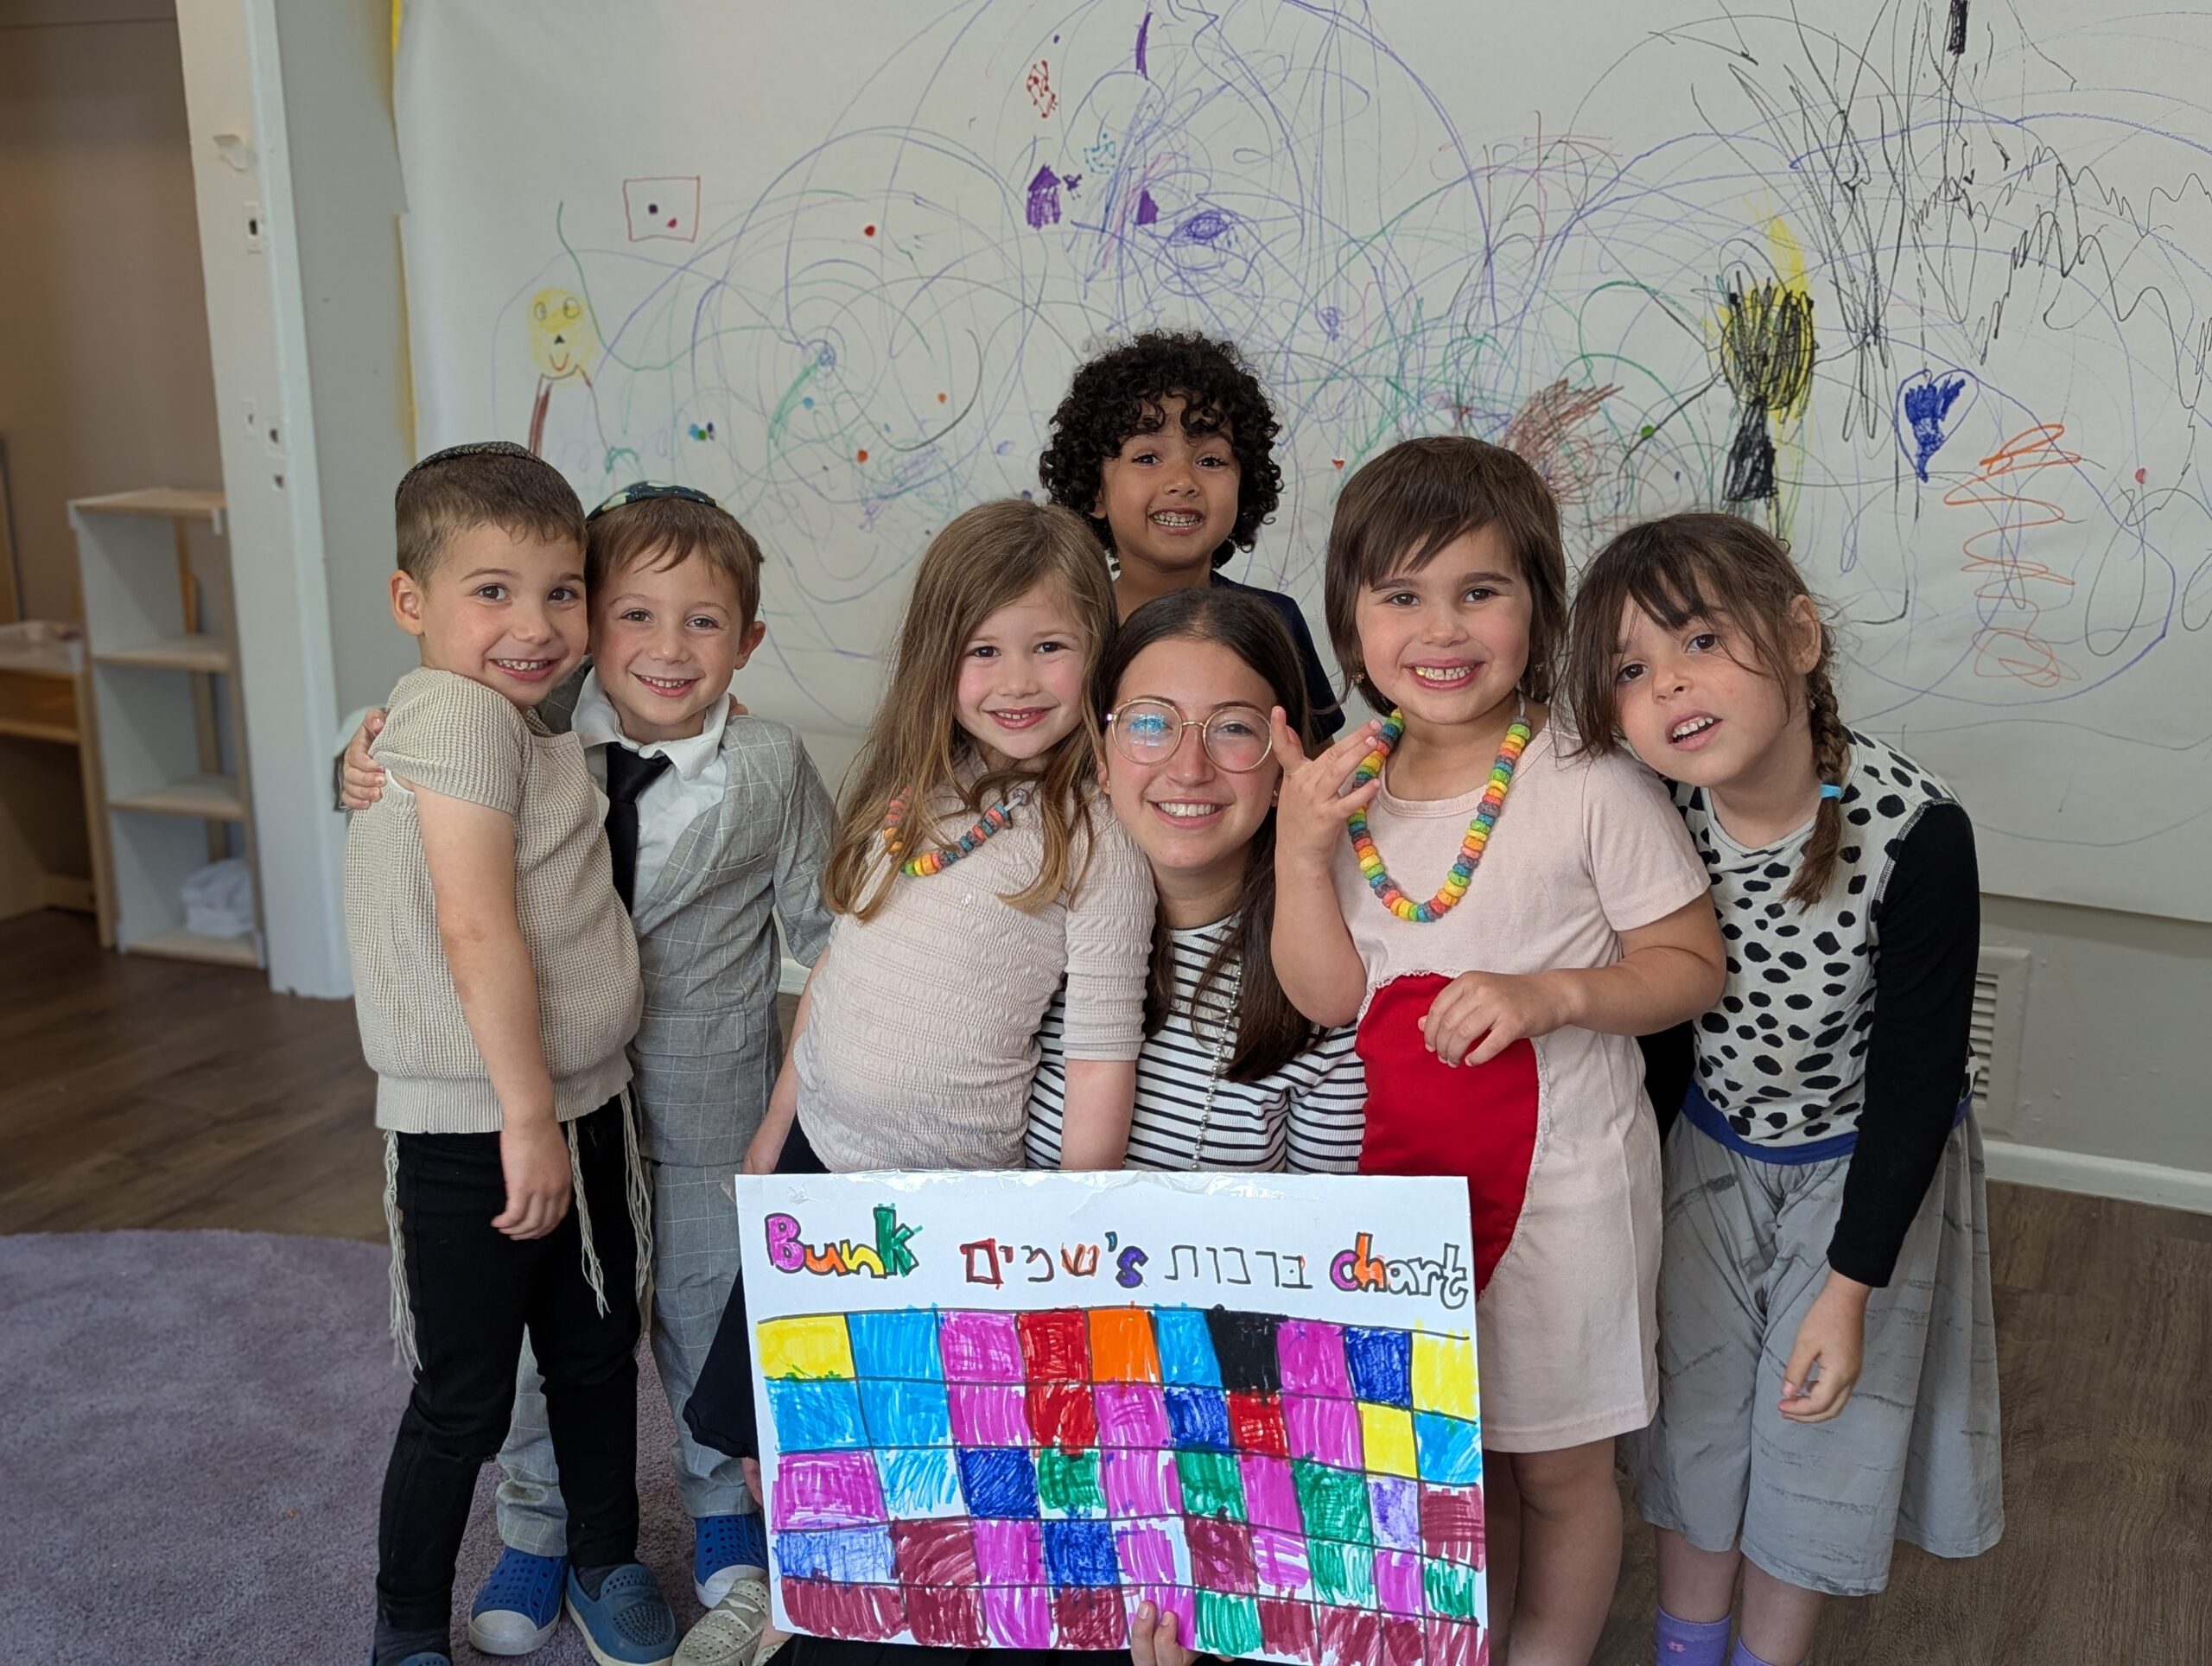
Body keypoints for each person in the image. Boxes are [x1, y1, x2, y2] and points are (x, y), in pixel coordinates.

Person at [340, 481, 837, 1666]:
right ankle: (539, 1522)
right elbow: (424, 807)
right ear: (594, 628)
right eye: (633, 615)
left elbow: (829, 936)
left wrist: (796, 1108)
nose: (668, 649)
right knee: (536, 1341)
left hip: (708, 1101)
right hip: (564, 1098)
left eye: (704, 623)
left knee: (701, 1316)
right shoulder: (528, 733)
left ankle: (722, 1516)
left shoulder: (768, 765)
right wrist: (349, 763)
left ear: (747, 641)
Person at [1269, 436, 1726, 1666]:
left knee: (1562, 1466)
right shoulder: (1344, 788)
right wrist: (1299, 849)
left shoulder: (1587, 781)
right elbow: (1325, 998)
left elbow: (1692, 967)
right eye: (1402, 596)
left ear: (1540, 603)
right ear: (1350, 620)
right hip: (1403, 1206)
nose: (1442, 628)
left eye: (1481, 591)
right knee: (1463, 1463)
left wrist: (1555, 991)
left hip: (1565, 1196)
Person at [1564, 512, 2003, 1666]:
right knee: (1699, 1437)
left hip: (1861, 1182)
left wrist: (1850, 1287)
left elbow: (1916, 1087)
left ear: (1800, 637)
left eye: (1701, 640)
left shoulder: (1918, 834)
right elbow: (1658, 1036)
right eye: (1631, 669)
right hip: (1707, 1159)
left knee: (1814, 1446)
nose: (1671, 686)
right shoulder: (1650, 810)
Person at [344, 442, 675, 1666]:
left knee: (593, 1358)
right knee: (466, 1398)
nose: (534, 624)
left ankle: (602, 1558)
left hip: (578, 1104)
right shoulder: (457, 717)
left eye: (560, 591)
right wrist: (526, 1119)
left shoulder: (509, 720)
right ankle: (407, 1627)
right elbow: (473, 925)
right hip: (487, 1124)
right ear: (410, 600)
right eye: (491, 591)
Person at [1026, 585, 1363, 1173]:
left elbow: (1323, 1243)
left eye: (1233, 728)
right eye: (1151, 723)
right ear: (1101, 759)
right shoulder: (1029, 916)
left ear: (1285, 764)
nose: (1188, 769)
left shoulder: (1330, 968)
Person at [1039, 328, 1344, 737]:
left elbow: (1311, 776)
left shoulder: (1275, 621)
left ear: (1245, 483)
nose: (1182, 481)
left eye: (1212, 461)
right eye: (1147, 457)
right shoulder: (1065, 631)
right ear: (1095, 491)